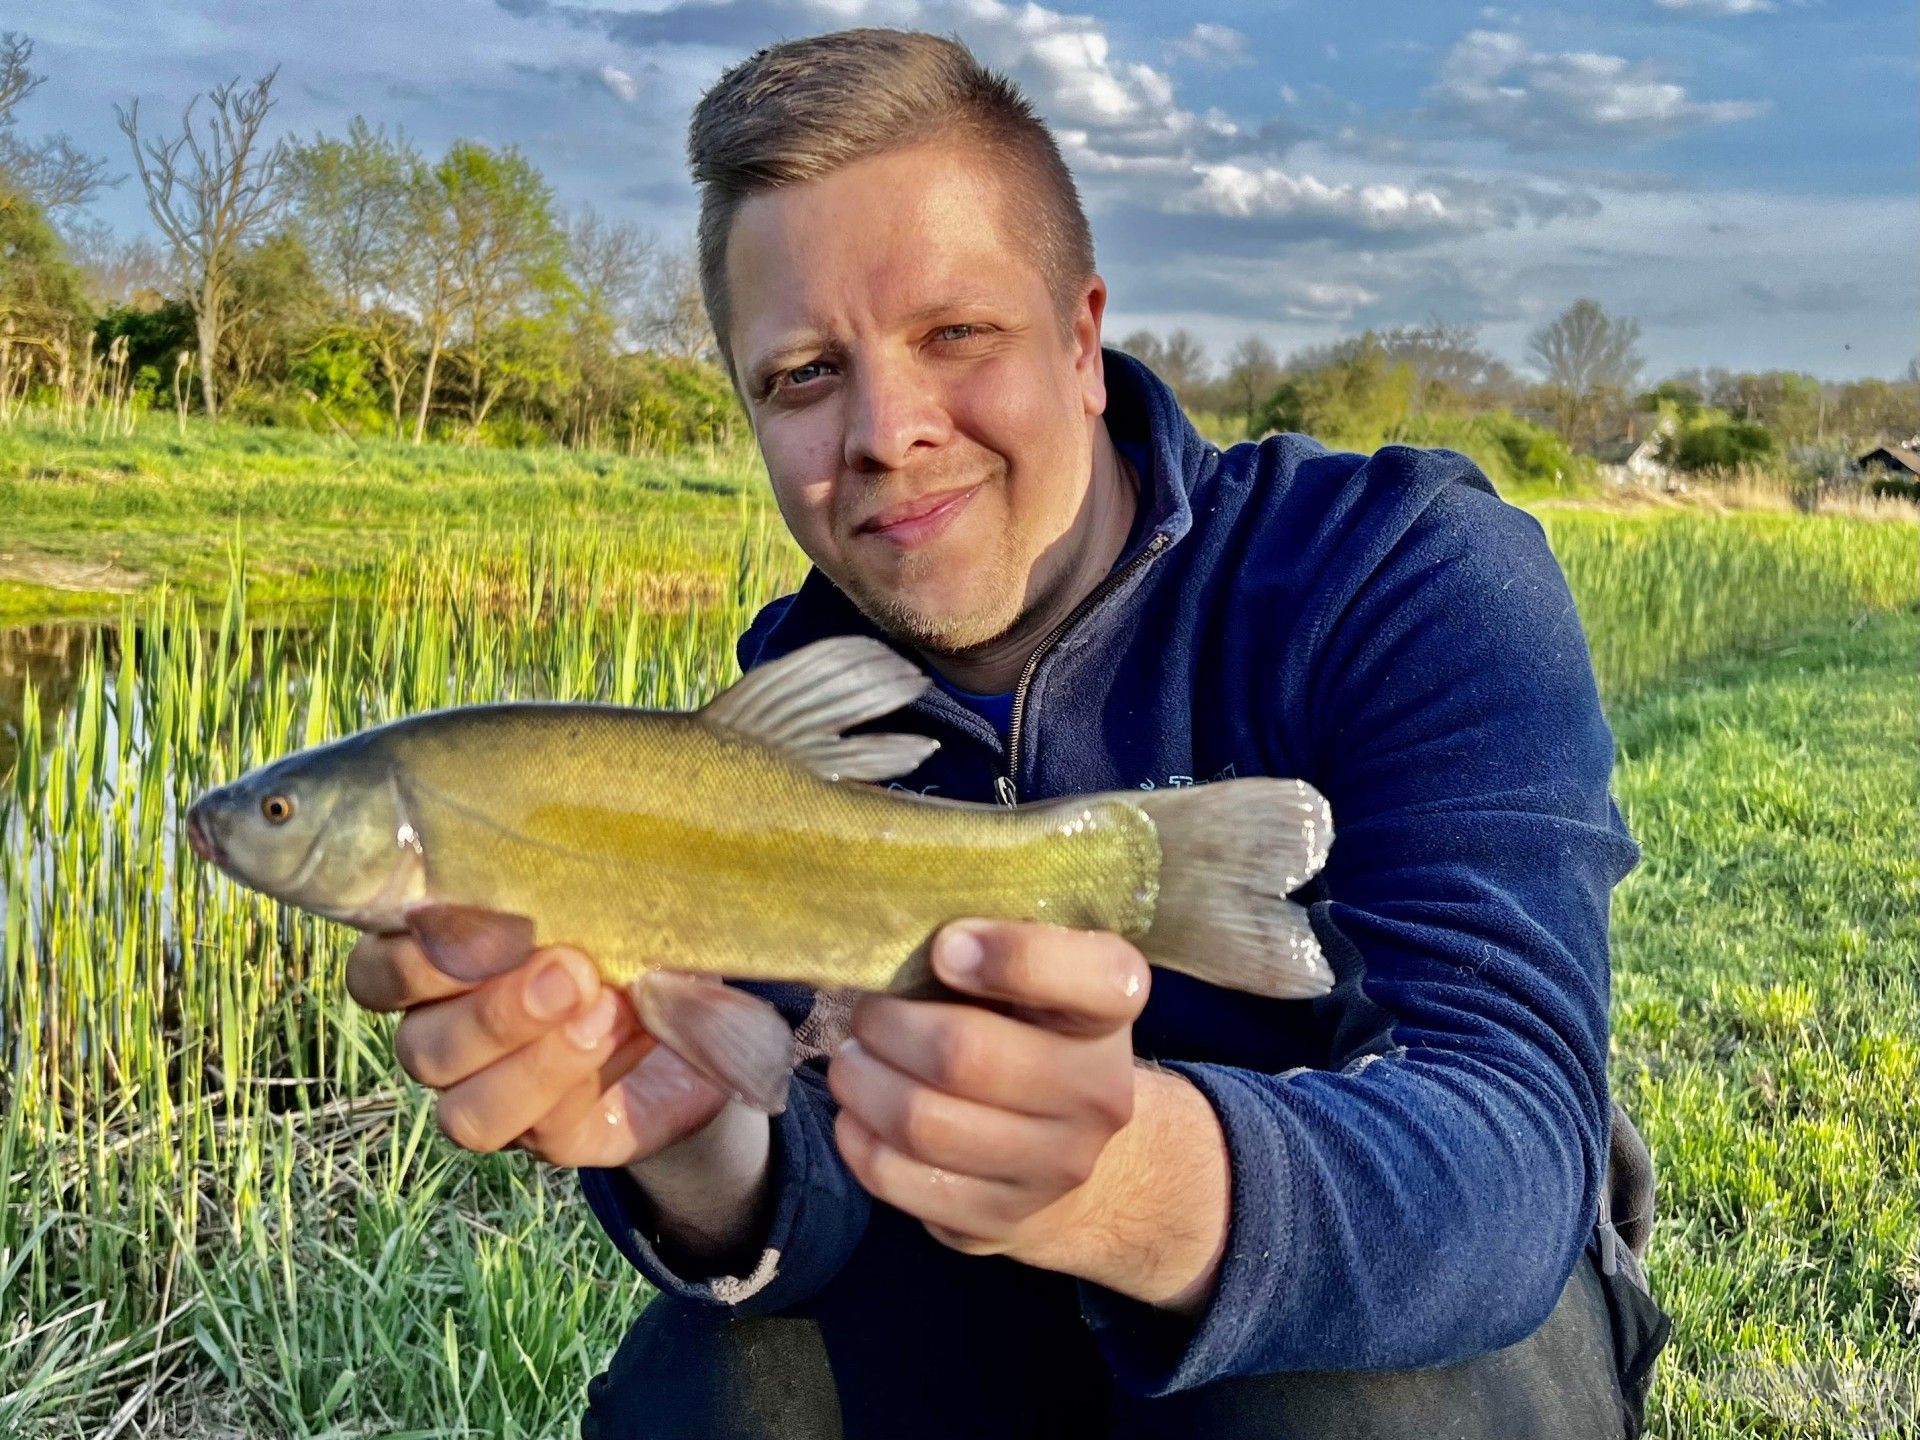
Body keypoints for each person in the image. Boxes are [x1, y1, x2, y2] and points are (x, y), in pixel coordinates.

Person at [346, 27, 1672, 1440]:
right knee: (716, 1388)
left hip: (1387, 1318)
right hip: (965, 1281)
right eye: (800, 374)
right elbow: (818, 1184)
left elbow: (1514, 1145)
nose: (887, 429)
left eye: (955, 335)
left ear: (1085, 340)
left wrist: (1130, 1183)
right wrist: (698, 1145)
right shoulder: (788, 703)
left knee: (1346, 1409)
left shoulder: (1399, 567)